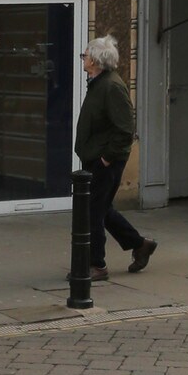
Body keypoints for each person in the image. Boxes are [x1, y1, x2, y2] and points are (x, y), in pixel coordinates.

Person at [74, 35, 157, 280]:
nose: (83, 58)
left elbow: (124, 129)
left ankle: (96, 265)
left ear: (97, 61)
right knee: (101, 208)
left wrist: (106, 159)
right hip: (97, 157)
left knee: (93, 212)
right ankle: (140, 244)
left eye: (86, 55)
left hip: (105, 161)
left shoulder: (111, 87)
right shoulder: (99, 83)